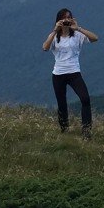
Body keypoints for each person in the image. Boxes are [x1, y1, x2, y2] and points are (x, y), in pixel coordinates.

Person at [43, 7, 98, 136]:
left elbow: (95, 38)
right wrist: (55, 30)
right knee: (62, 103)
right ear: (58, 20)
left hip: (74, 72)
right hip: (58, 74)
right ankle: (64, 131)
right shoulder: (54, 37)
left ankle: (86, 131)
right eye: (63, 18)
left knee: (85, 99)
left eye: (68, 17)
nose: (66, 20)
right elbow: (45, 47)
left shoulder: (77, 35)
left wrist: (78, 28)